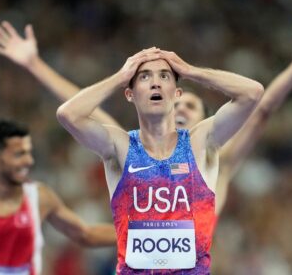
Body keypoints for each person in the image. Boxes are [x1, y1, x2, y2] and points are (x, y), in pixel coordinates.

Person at [0, 9, 292, 220]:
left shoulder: (212, 148)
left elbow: (259, 106)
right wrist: (35, 65)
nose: (183, 111)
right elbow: (76, 111)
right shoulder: (128, 148)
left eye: (190, 107)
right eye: (146, 80)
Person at [56, 45, 263, 273]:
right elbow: (68, 115)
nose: (155, 83)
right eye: (145, 77)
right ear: (130, 94)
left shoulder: (199, 143)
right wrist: (120, 77)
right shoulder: (120, 146)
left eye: (164, 76)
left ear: (176, 93)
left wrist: (190, 71)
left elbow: (252, 93)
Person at [0, 119, 116, 275]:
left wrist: (135, 232)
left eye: (29, 153)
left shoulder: (40, 198)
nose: (29, 161)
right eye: (19, 155)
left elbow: (85, 234)